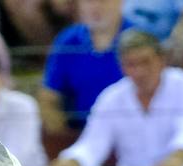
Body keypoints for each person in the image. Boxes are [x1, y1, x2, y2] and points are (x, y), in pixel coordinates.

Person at [48, 29, 183, 166]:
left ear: (162, 60)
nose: (139, 72)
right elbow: (92, 144)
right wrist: (71, 162)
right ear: (121, 66)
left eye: (145, 62)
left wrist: (176, 159)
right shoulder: (111, 97)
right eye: (131, 64)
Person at [40, 0, 128, 130]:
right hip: (79, 134)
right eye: (88, 1)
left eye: (104, 1)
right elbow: (48, 98)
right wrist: (64, 140)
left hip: (130, 134)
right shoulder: (67, 41)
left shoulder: (140, 39)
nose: (96, 6)